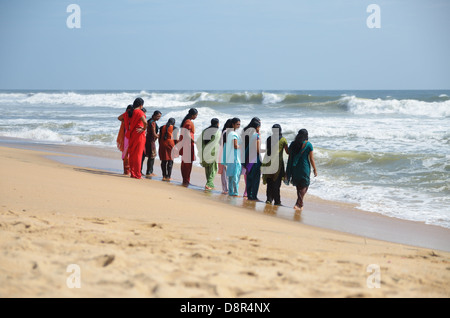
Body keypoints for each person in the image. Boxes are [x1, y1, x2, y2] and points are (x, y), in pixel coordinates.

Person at [285, 129, 318, 211]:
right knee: (305, 184)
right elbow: (311, 159)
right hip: (304, 167)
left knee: (299, 186)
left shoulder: (293, 144)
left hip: (295, 167)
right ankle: (298, 203)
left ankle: (300, 203)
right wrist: (315, 169)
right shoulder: (309, 145)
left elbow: (289, 153)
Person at [262, 124, 289, 205]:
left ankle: (269, 199)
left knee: (269, 182)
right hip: (278, 165)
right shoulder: (283, 140)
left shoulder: (269, 139)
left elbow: (268, 151)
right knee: (276, 183)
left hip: (268, 163)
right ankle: (277, 201)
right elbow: (287, 152)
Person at [126, 98, 147, 179]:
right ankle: (137, 174)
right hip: (139, 135)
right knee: (138, 155)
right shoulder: (139, 112)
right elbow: (145, 122)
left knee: (132, 154)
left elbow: (120, 118)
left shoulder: (130, 112)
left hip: (132, 134)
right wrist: (144, 128)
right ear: (141, 105)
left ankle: (132, 172)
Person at [198, 118, 221, 190]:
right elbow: (219, 142)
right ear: (218, 124)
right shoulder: (217, 132)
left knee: (207, 168)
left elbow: (199, 141)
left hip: (205, 152)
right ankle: (209, 183)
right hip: (213, 153)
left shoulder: (205, 131)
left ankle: (209, 183)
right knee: (213, 168)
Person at [243, 117, 262, 201]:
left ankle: (249, 195)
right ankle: (253, 196)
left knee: (249, 176)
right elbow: (258, 150)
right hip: (255, 158)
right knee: (256, 178)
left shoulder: (250, 134)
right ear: (257, 127)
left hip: (248, 157)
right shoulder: (256, 136)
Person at [178, 108, 198, 186]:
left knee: (185, 162)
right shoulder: (188, 123)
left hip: (186, 143)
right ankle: (186, 180)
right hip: (188, 144)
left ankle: (185, 180)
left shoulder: (186, 121)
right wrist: (194, 141)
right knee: (187, 163)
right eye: (196, 115)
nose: (196, 116)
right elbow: (187, 134)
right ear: (192, 115)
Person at [142, 110, 162, 176]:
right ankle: (149, 172)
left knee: (145, 156)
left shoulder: (149, 121)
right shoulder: (153, 123)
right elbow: (154, 134)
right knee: (152, 156)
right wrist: (160, 136)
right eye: (158, 116)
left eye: (159, 117)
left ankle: (142, 170)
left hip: (147, 139)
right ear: (154, 115)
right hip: (151, 141)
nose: (158, 118)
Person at [226, 118, 242, 196]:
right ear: (233, 124)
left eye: (239, 124)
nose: (238, 125)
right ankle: (235, 192)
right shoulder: (234, 134)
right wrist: (242, 146)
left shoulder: (229, 133)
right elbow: (235, 146)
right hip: (235, 157)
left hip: (231, 156)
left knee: (231, 175)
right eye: (237, 124)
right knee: (235, 175)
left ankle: (231, 191)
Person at [117, 105, 133, 175]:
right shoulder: (125, 117)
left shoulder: (132, 117)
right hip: (126, 136)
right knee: (126, 153)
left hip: (129, 136)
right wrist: (126, 113)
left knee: (127, 153)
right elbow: (119, 118)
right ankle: (126, 170)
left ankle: (127, 170)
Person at [218, 119, 232, 194]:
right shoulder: (227, 132)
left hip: (222, 153)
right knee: (227, 172)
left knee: (224, 172)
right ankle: (226, 189)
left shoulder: (224, 132)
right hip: (226, 153)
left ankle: (225, 189)